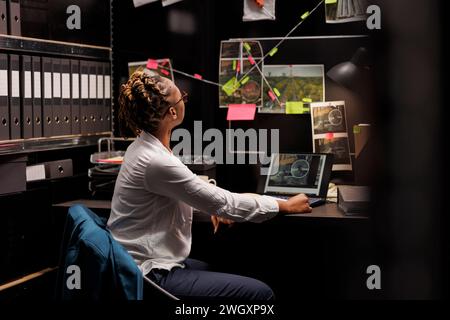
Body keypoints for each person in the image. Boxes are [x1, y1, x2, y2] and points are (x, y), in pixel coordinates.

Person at [107, 69, 312, 300]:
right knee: (261, 295)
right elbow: (223, 201)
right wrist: (284, 205)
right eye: (182, 97)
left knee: (230, 268)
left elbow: (196, 193)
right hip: (150, 275)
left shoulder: (143, 147)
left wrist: (212, 204)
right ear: (172, 112)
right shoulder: (155, 160)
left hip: (141, 264)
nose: (185, 100)